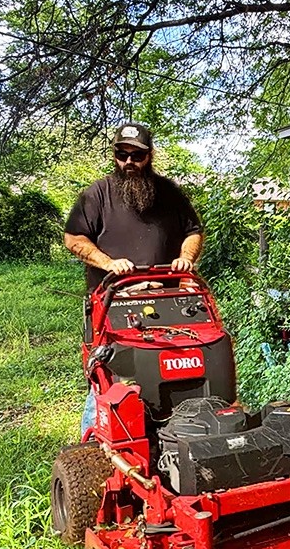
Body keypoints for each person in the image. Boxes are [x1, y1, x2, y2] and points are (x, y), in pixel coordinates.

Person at [63, 122, 204, 432]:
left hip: (166, 300)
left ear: (149, 156)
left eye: (136, 155)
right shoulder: (96, 195)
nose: (129, 162)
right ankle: (96, 440)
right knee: (109, 372)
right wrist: (108, 262)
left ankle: (169, 428)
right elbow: (73, 238)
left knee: (170, 365)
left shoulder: (170, 194)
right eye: (121, 154)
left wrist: (185, 259)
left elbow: (193, 232)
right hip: (115, 301)